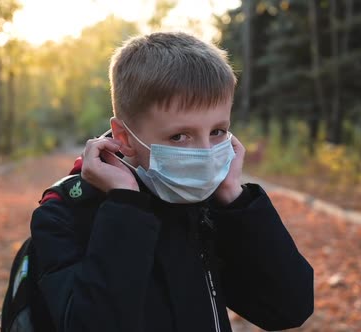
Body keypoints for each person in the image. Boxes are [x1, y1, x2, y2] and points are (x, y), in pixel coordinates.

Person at [30, 32, 314, 332]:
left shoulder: (206, 203)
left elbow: (288, 308)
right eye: (179, 136)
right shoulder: (64, 215)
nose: (206, 154)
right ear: (125, 137)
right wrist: (125, 207)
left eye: (217, 131)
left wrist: (234, 197)